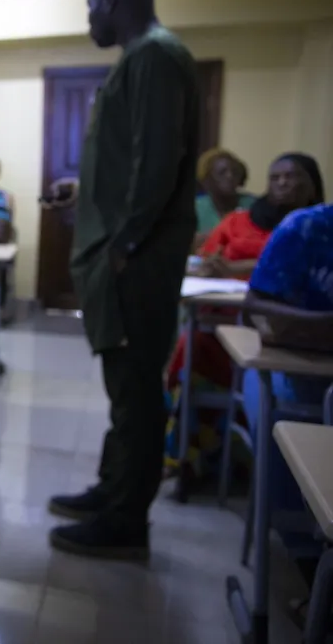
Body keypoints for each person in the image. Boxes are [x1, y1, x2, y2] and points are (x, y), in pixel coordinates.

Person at [46, 0, 201, 559]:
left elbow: (157, 164)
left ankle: (124, 522)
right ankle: (112, 491)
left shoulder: (154, 56)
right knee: (127, 390)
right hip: (128, 255)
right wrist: (82, 190)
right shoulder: (142, 61)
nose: (89, 17)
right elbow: (129, 160)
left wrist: (125, 245)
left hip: (137, 261)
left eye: (90, 5)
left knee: (138, 392)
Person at [164, 153, 324, 479]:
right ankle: (187, 454)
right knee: (189, 346)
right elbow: (209, 257)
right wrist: (214, 265)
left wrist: (237, 269)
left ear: (312, 187)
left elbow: (289, 269)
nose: (282, 184)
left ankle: (252, 462)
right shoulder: (241, 219)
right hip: (223, 324)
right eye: (275, 178)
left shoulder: (317, 230)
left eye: (292, 178)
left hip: (288, 336)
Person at [242, 203, 333, 585]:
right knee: (283, 418)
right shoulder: (307, 227)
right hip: (296, 367)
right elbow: (255, 307)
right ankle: (308, 564)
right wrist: (321, 326)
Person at [193, 148, 256, 248]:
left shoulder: (253, 205)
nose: (230, 176)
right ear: (207, 179)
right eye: (222, 172)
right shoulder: (196, 207)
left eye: (235, 172)